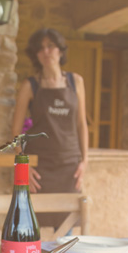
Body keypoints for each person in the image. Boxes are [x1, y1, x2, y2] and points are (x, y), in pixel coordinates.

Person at [10, 28, 89, 195]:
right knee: (38, 219)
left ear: (60, 50)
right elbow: (16, 131)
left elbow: (82, 124)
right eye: (40, 48)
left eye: (50, 46)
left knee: (70, 219)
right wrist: (24, 166)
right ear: (36, 55)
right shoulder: (29, 86)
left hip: (70, 165)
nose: (45, 51)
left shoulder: (76, 82)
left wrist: (85, 161)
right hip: (39, 167)